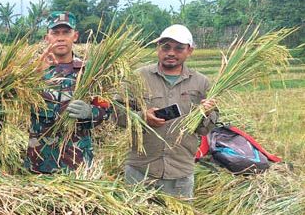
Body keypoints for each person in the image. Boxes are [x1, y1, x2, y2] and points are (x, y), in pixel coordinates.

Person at [118, 24, 218, 199]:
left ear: (190, 51)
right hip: (140, 171)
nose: (171, 52)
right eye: (166, 47)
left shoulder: (201, 83)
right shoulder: (137, 78)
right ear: (158, 48)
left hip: (180, 173)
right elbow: (116, 113)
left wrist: (207, 113)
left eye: (179, 48)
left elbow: (205, 130)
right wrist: (143, 118)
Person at [25, 11, 111, 173]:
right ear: (47, 38)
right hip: (39, 161)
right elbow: (13, 103)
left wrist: (90, 112)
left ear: (75, 36)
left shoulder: (90, 71)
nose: (61, 37)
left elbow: (107, 110)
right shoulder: (33, 71)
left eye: (66, 32)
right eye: (55, 33)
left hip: (77, 163)